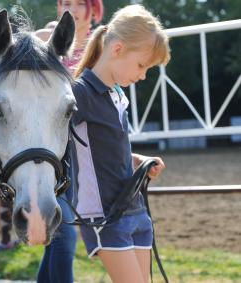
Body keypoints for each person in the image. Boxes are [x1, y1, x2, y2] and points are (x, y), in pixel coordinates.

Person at [71, 4, 170, 283]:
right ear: (117, 49)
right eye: (142, 65)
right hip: (104, 214)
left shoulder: (117, 97)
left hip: (135, 208)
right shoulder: (80, 93)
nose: (142, 75)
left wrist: (136, 160)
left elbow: (107, 149)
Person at [35, 1, 104, 282]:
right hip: (51, 155)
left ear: (93, 9)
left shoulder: (102, 44)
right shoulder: (48, 37)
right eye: (66, 2)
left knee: (57, 238)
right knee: (63, 232)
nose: (71, 8)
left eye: (79, 3)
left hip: (86, 157)